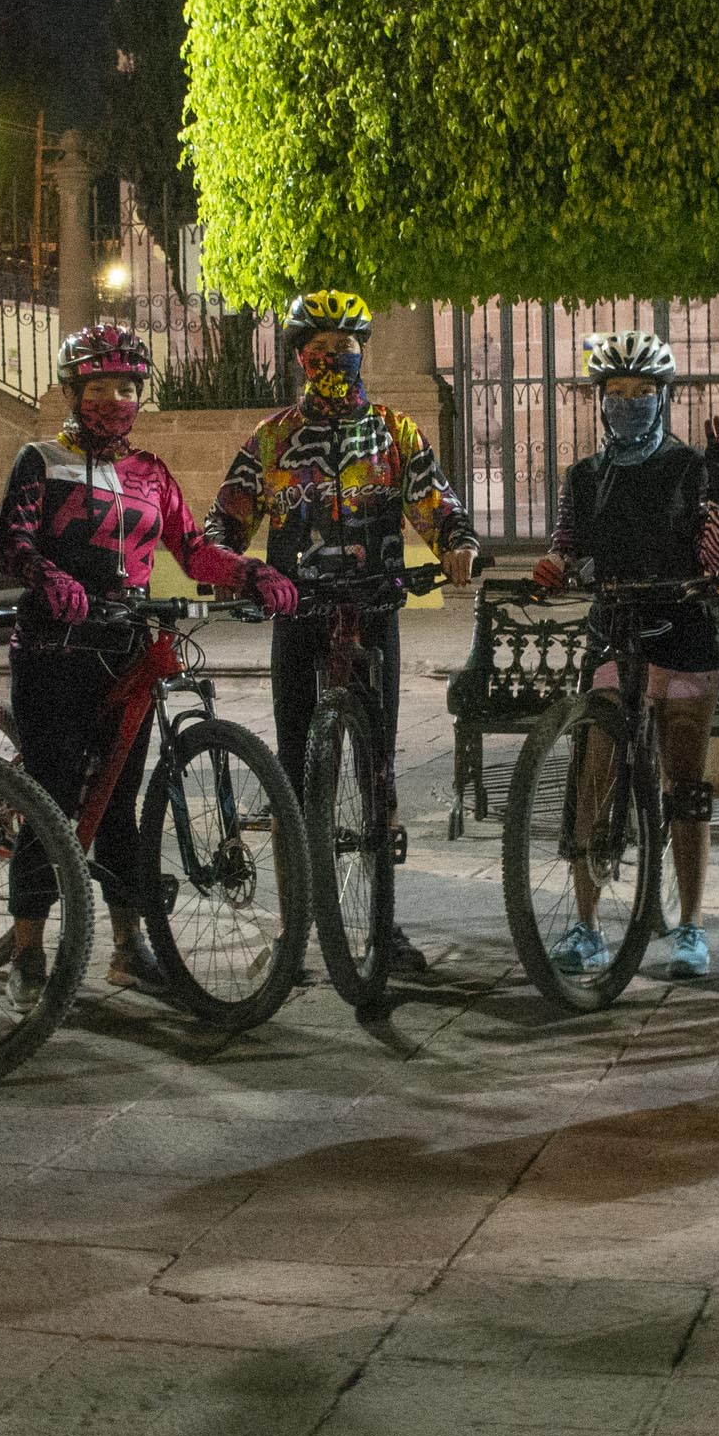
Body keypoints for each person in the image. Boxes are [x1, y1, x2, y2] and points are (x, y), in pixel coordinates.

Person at [0, 322, 292, 995]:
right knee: (50, 797)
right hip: (55, 649)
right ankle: (26, 950)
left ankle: (128, 946)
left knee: (122, 803)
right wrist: (49, 578)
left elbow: (193, 552)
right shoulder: (40, 458)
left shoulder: (151, 473)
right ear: (73, 388)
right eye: (101, 383)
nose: (117, 396)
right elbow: (11, 544)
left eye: (129, 385)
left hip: (123, 650)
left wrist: (249, 573)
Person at [209, 291, 476, 975]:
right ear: (300, 356)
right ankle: (292, 933)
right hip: (297, 617)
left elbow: (436, 501)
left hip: (372, 612)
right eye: (319, 348)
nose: (333, 359)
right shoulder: (271, 438)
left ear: (363, 353)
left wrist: (457, 543)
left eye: (346, 347)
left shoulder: (392, 432)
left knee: (378, 772)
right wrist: (222, 562)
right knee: (295, 771)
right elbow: (229, 518)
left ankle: (383, 927)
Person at [529, 329, 719, 979]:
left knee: (685, 787)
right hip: (615, 630)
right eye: (615, 392)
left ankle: (691, 925)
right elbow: (567, 545)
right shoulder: (584, 477)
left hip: (683, 634)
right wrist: (555, 566)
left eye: (641, 392)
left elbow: (717, 560)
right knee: (595, 772)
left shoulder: (686, 466)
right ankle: (588, 926)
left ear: (663, 397)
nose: (627, 403)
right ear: (598, 401)